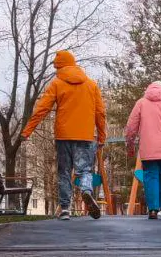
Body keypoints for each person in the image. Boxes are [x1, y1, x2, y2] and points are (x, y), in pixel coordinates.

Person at [22, 50, 107, 221]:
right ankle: (86, 191)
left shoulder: (57, 84)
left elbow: (42, 109)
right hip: (85, 136)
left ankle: (66, 209)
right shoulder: (91, 85)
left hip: (63, 136)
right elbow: (100, 113)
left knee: (64, 172)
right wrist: (102, 136)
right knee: (84, 171)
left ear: (60, 67)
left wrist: (27, 130)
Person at [125, 81, 161, 220]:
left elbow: (131, 127)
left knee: (150, 177)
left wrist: (130, 146)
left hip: (148, 149)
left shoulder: (141, 103)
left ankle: (152, 209)